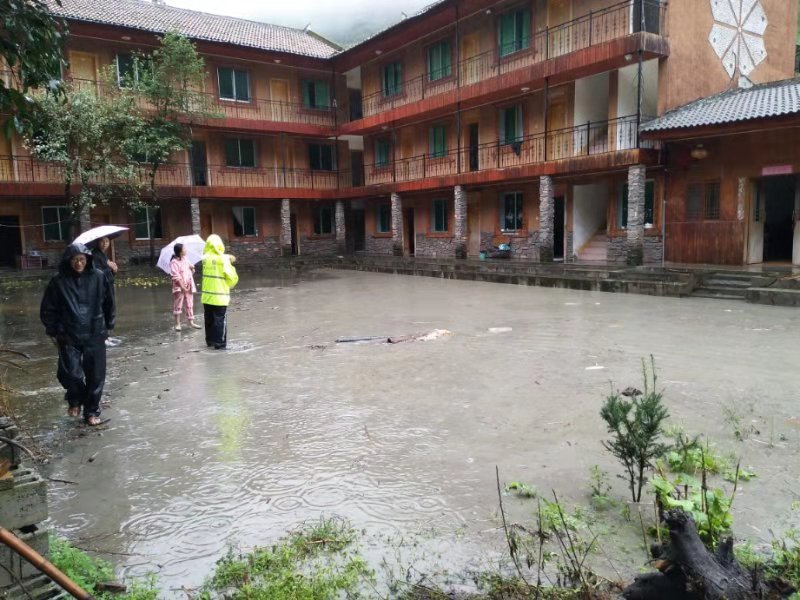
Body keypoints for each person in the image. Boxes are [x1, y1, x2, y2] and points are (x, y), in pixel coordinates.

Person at [40, 243, 115, 426]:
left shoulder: (99, 277)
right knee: (69, 374)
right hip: (68, 333)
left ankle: (91, 411)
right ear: (68, 261)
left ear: (88, 260)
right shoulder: (58, 281)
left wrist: (109, 323)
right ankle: (75, 398)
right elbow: (48, 308)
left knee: (96, 375)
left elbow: (109, 302)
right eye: (75, 260)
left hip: (94, 331)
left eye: (82, 259)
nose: (79, 263)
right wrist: (55, 329)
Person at [201, 234, 239, 350]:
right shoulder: (223, 260)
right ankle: (219, 343)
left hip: (207, 296)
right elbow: (232, 278)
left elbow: (213, 258)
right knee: (220, 320)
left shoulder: (205, 259)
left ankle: (210, 341)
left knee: (209, 319)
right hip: (220, 296)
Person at [170, 242, 201, 331]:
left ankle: (191, 322)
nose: (186, 250)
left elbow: (190, 272)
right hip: (179, 287)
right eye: (184, 249)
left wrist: (192, 269)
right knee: (178, 305)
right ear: (180, 251)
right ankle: (177, 324)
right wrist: (182, 286)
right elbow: (175, 276)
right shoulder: (174, 262)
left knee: (189, 304)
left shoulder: (186, 259)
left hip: (189, 286)